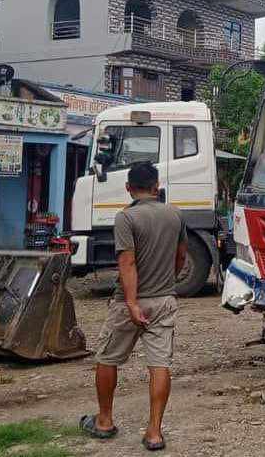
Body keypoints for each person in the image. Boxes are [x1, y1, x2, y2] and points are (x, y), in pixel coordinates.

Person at [81, 162, 188, 452]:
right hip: (164, 300)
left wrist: (131, 303)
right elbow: (181, 258)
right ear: (157, 186)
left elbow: (127, 263)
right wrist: (168, 283)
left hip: (129, 302)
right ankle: (154, 433)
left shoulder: (126, 218)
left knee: (107, 358)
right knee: (159, 364)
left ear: (128, 188)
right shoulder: (175, 215)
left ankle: (104, 421)